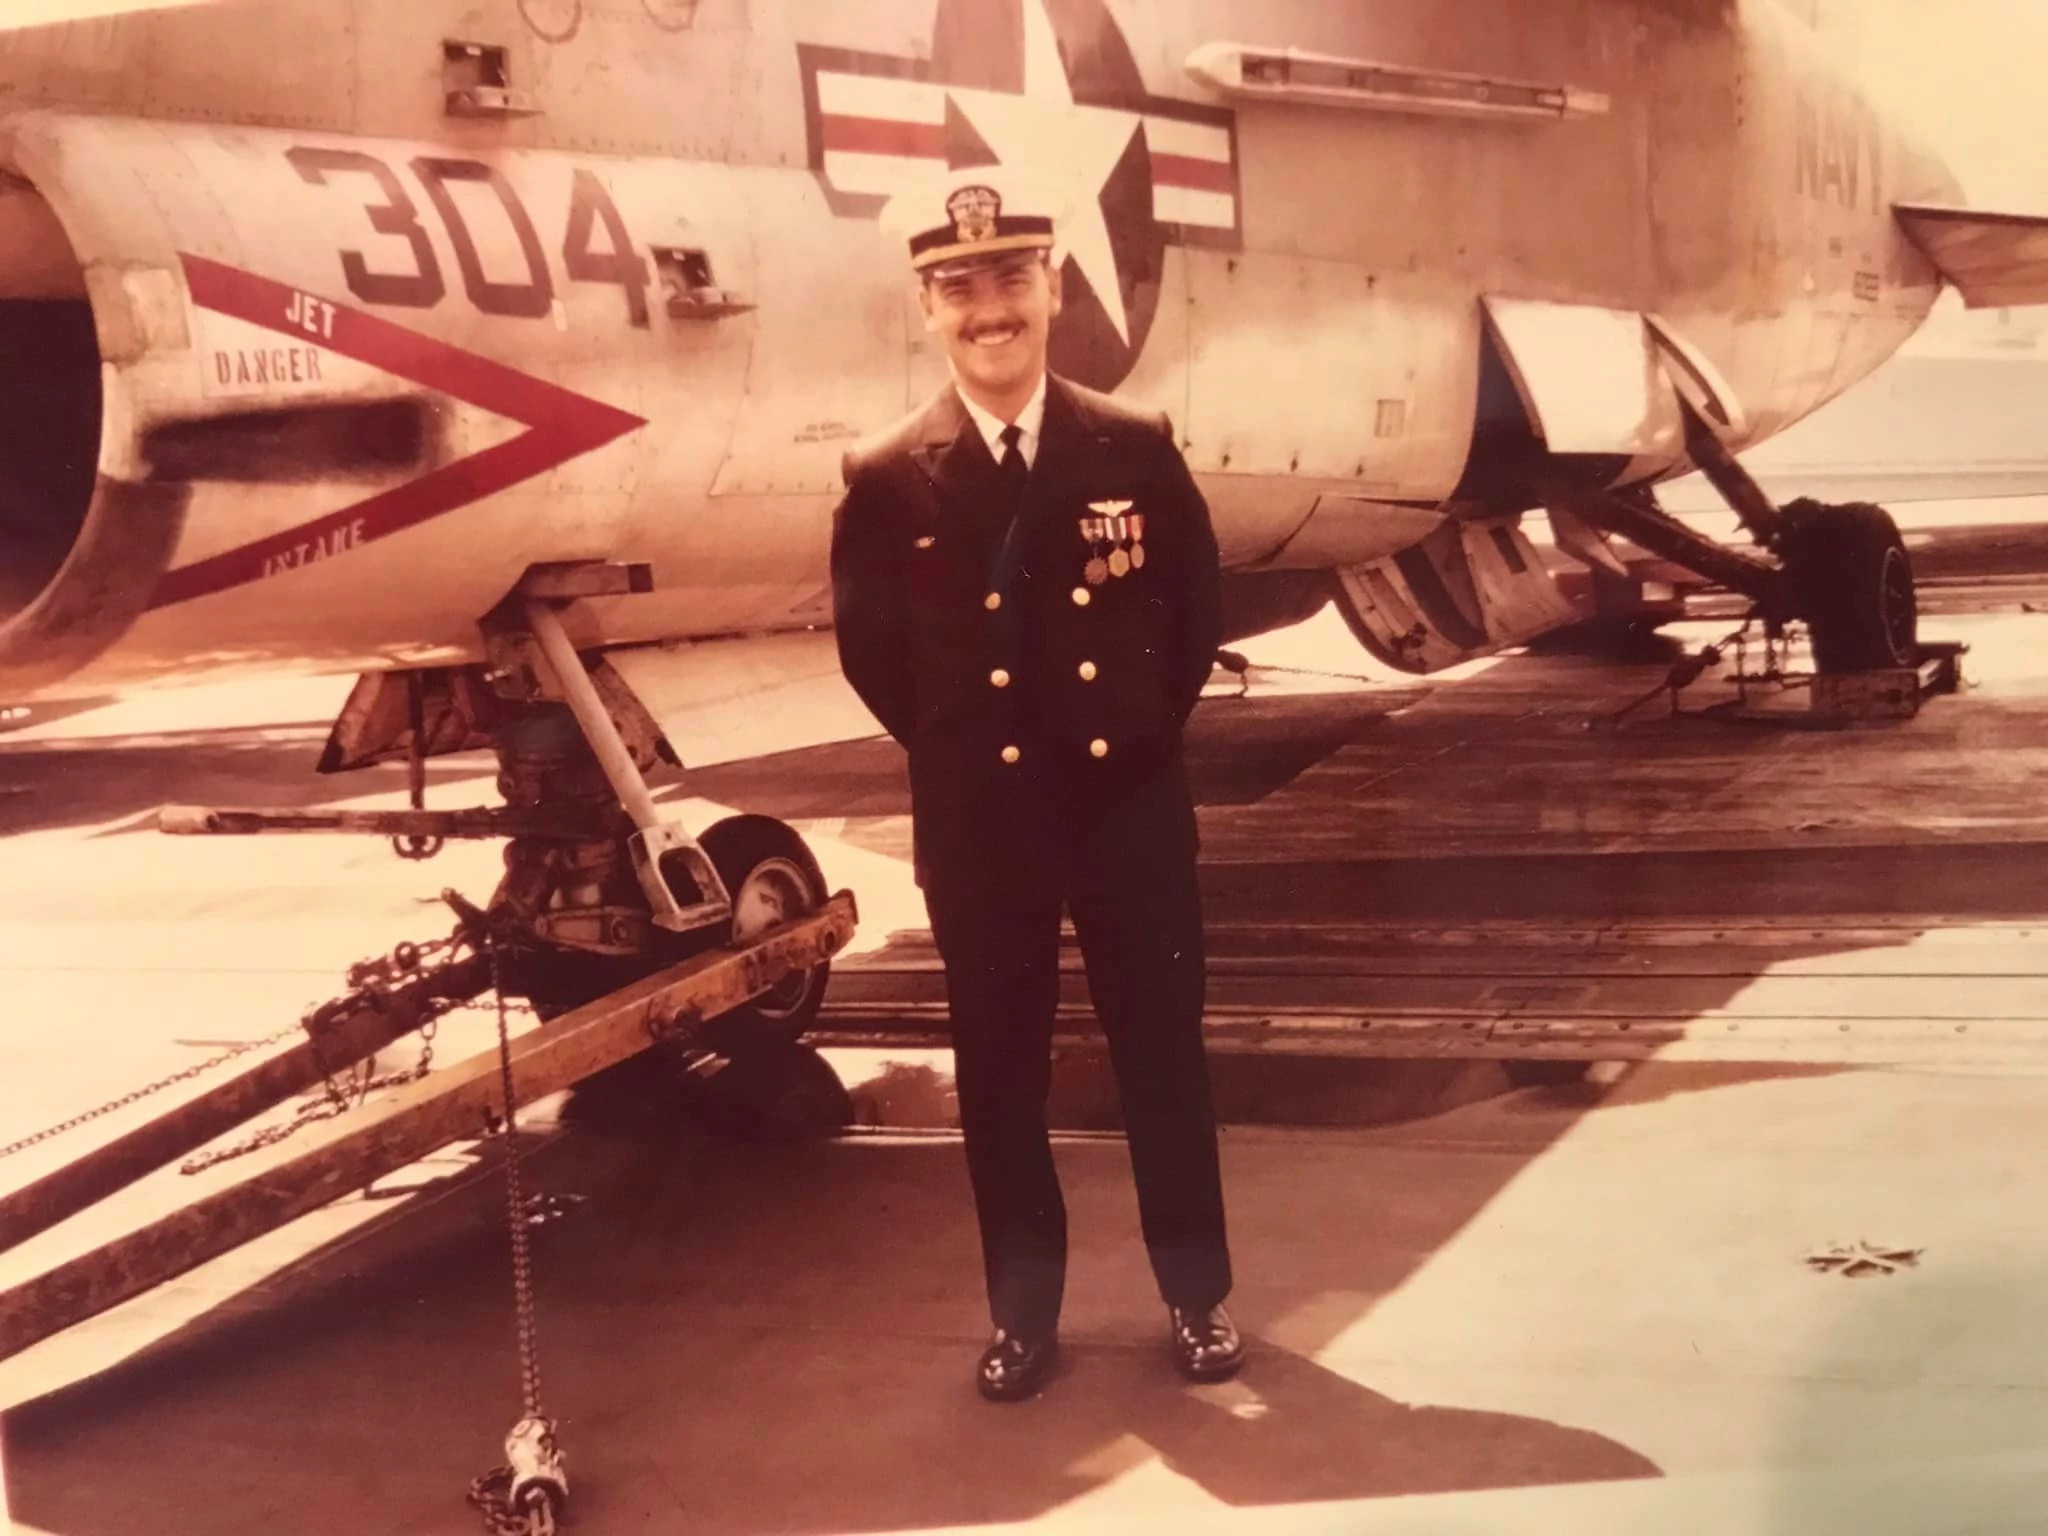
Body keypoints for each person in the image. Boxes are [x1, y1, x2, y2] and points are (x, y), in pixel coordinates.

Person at [829, 166, 1240, 1402]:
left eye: (1009, 279)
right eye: (958, 289)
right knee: (998, 1070)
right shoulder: (888, 474)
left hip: (1125, 807)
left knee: (1162, 1054)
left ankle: (1197, 1299)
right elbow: (874, 657)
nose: (986, 310)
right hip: (982, 824)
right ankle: (1020, 1316)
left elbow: (1189, 616)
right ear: (925, 309)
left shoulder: (1132, 448)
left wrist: (1121, 738)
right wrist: (971, 757)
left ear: (1051, 288)